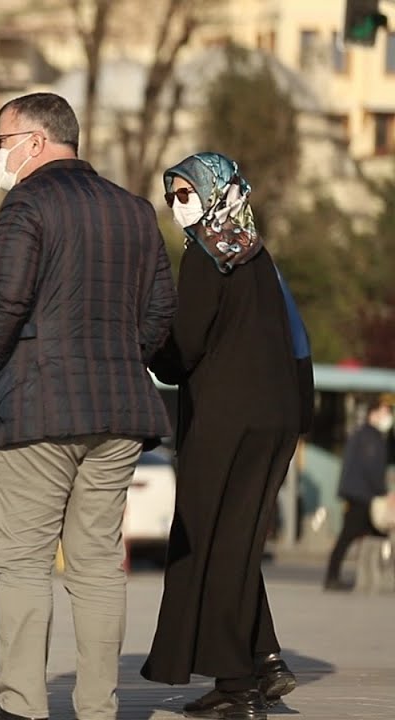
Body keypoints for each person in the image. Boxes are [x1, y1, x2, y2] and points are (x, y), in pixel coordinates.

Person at [0, 92, 177, 720]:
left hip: (37, 409)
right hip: (121, 410)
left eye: (1, 140)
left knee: (22, 562)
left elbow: (2, 304)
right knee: (98, 567)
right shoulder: (135, 211)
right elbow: (159, 312)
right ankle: (98, 708)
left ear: (36, 142)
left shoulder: (28, 206)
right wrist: (125, 359)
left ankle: (23, 707)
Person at [140, 152, 314, 720]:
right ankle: (262, 660)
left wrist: (150, 350)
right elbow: (297, 342)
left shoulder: (205, 259)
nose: (177, 205)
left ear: (218, 192)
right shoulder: (260, 258)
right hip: (274, 419)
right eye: (172, 196)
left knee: (209, 539)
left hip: (224, 422)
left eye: (186, 193)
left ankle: (236, 685)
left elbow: (184, 346)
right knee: (235, 539)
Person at [323, 394, 394, 591]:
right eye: (385, 412)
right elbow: (371, 468)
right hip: (362, 496)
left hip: (360, 494)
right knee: (350, 536)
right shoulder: (370, 438)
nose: (388, 416)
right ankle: (333, 577)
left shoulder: (365, 435)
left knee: (374, 535)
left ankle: (371, 577)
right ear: (374, 413)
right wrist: (383, 492)